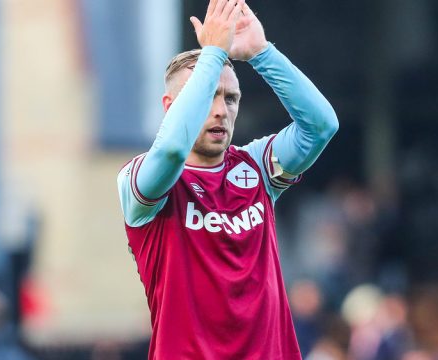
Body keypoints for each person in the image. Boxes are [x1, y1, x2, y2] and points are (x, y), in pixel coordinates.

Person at [117, 0, 338, 358]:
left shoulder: (256, 168)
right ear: (170, 106)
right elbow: (173, 150)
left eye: (231, 98)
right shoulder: (140, 180)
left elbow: (321, 127)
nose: (221, 110)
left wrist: (262, 53)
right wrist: (213, 55)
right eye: (207, 98)